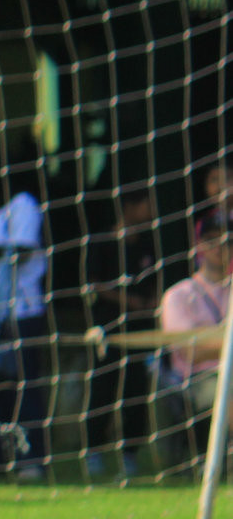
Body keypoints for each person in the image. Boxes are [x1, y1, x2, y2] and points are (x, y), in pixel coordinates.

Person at [0, 146, 52, 483]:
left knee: (25, 388)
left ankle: (31, 460)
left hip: (22, 312)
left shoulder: (22, 205)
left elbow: (21, 250)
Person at [83, 191, 162, 482]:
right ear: (129, 205)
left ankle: (130, 455)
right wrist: (130, 302)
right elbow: (94, 285)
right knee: (103, 387)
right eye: (147, 202)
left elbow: (153, 281)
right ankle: (93, 452)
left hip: (140, 331)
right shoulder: (101, 242)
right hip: (109, 330)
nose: (152, 209)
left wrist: (151, 301)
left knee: (137, 386)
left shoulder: (148, 243)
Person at [157, 212, 229, 470]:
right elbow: (190, 352)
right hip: (194, 380)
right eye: (212, 240)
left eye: (228, 241)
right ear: (199, 245)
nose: (221, 247)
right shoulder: (178, 294)